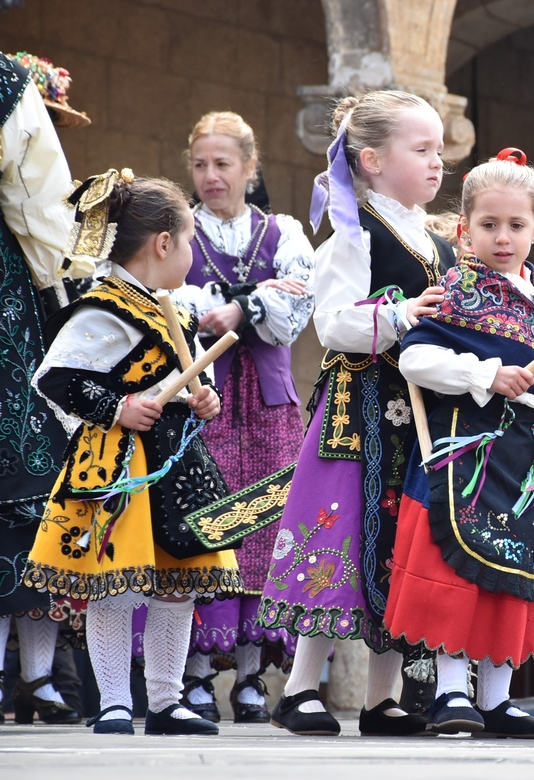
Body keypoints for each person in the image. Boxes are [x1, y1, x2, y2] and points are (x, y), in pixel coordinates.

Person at [260, 90, 454, 737]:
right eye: (421, 150)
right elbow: (332, 321)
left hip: (417, 415)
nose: (437, 163)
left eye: (439, 151)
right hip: (359, 412)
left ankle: (382, 697)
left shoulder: (437, 240)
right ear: (370, 159)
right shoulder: (354, 233)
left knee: (397, 540)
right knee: (338, 535)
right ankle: (300, 688)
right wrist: (401, 315)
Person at [23, 171, 241, 735]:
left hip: (175, 461)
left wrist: (203, 399)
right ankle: (116, 701)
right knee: (114, 584)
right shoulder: (104, 308)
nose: (193, 250)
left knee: (179, 582)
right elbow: (58, 378)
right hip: (120, 463)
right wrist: (119, 407)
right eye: (191, 238)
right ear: (162, 243)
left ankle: (166, 701)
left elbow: (191, 375)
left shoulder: (175, 308)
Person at [384, 148, 534, 740]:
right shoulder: (456, 290)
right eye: (489, 225)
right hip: (462, 453)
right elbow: (415, 358)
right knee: (458, 573)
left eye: (517, 226)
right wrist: (484, 374)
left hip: (522, 460)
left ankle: (496, 698)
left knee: (510, 570)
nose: (503, 237)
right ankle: (448, 693)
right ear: (464, 228)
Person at [169, 111, 315, 724]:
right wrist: (207, 309)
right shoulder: (179, 232)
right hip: (207, 402)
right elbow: (170, 300)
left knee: (264, 533)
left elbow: (299, 300)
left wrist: (243, 307)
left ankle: (253, 678)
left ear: (250, 169)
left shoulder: (281, 232)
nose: (210, 176)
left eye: (223, 164)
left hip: (271, 407)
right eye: (200, 165)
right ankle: (198, 676)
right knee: (208, 529)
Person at [0, 50, 88, 726]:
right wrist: (68, 289)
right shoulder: (7, 84)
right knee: (20, 490)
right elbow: (40, 206)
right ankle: (34, 678)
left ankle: (35, 677)